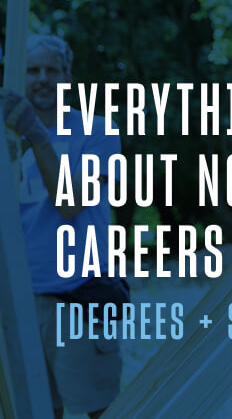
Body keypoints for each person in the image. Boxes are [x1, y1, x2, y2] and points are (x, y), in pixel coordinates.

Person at [1, 34, 122, 418]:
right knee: (34, 410)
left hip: (79, 298)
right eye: (32, 70)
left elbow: (70, 203)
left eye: (51, 70)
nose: (42, 78)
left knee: (98, 410)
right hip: (20, 303)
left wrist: (36, 135)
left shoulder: (97, 132)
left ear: (68, 77)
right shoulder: (6, 141)